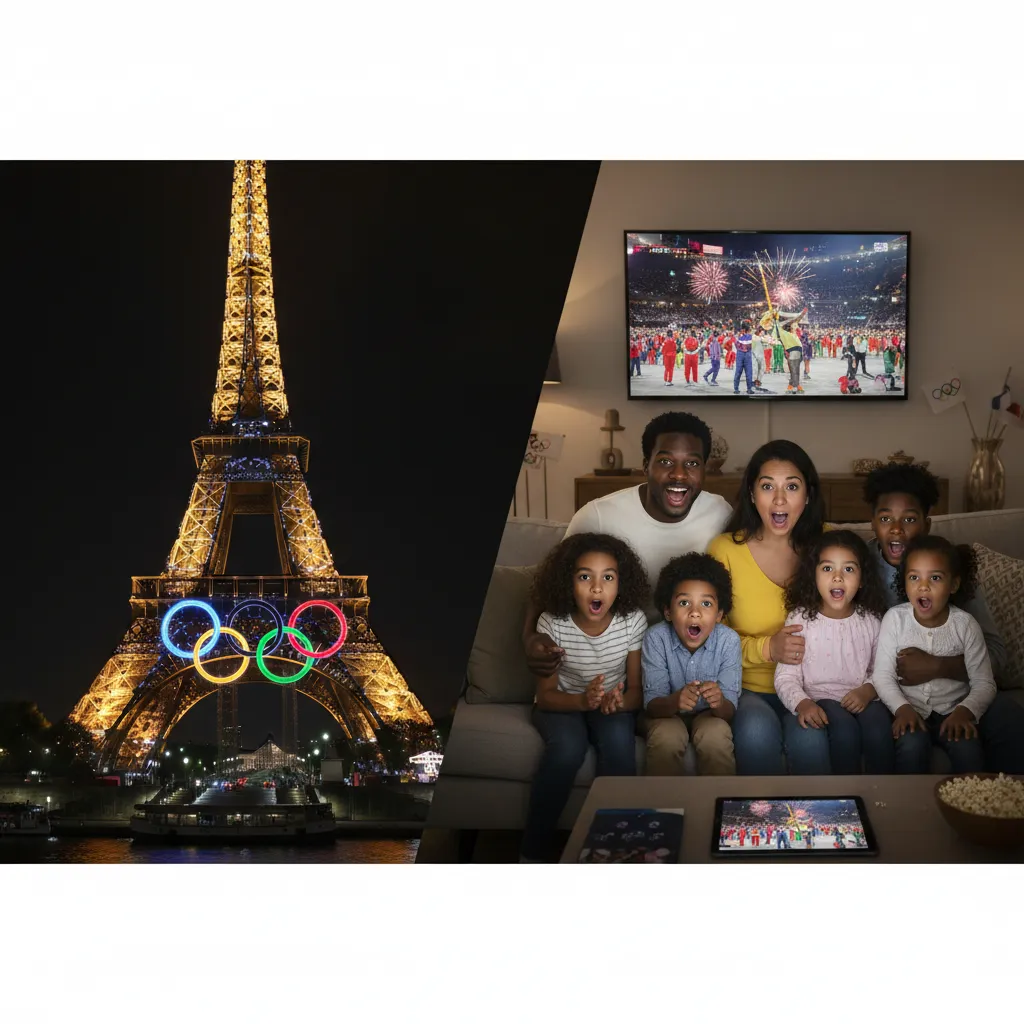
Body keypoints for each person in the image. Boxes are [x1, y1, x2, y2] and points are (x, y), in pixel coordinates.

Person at [524, 411, 732, 676]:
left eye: (692, 463)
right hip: (615, 663)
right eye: (666, 461)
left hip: (687, 660)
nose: (679, 475)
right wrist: (529, 636)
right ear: (646, 466)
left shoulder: (720, 512)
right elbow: (548, 581)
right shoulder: (598, 515)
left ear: (705, 468)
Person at [861, 464, 1022, 771]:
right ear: (873, 523)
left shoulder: (948, 567)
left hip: (959, 693)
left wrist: (938, 666)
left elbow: (997, 657)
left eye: (909, 519)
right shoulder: (856, 568)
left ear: (927, 523)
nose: (897, 529)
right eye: (885, 519)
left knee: (1011, 722)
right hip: (890, 694)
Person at [519, 532, 650, 861]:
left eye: (608, 577)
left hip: (612, 704)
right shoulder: (554, 623)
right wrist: (582, 701)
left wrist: (614, 702)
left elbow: (636, 692)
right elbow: (546, 697)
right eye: (584, 577)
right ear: (567, 582)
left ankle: (616, 847)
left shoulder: (632, 621)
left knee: (620, 746)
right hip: (563, 704)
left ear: (621, 585)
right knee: (566, 750)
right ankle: (532, 852)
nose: (597, 588)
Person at [707, 439, 828, 774]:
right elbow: (709, 638)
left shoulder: (830, 545)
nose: (779, 499)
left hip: (813, 687)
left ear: (808, 495)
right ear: (751, 494)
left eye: (791, 486)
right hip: (749, 688)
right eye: (767, 487)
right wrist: (767, 648)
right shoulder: (725, 550)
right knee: (756, 734)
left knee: (812, 742)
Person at [872, 536, 1006, 774]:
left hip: (954, 711)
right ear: (904, 582)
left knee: (968, 750)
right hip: (909, 710)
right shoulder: (895, 619)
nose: (923, 586)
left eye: (935, 578)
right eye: (914, 577)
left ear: (953, 585)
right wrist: (902, 709)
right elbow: (882, 676)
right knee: (911, 747)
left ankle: (969, 807)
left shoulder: (966, 625)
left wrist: (964, 712)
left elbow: (984, 683)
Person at [774, 531, 895, 773]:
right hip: (820, 699)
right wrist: (803, 703)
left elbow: (884, 669)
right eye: (827, 569)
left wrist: (868, 690)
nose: (838, 577)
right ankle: (846, 798)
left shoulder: (871, 621)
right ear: (813, 576)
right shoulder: (800, 620)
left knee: (880, 727)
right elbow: (786, 677)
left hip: (863, 698)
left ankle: (882, 794)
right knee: (844, 730)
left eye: (848, 569)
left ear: (862, 579)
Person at [641, 553, 741, 775]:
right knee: (666, 738)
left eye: (706, 604)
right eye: (684, 603)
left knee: (715, 737)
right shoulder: (655, 638)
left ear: (719, 614)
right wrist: (676, 701)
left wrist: (719, 702)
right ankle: (663, 807)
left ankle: (719, 804)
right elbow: (652, 705)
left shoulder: (729, 641)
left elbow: (728, 711)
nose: (695, 612)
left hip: (709, 716)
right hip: (667, 714)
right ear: (668, 611)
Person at [761, 308, 806, 394]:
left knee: (794, 369)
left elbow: (796, 319)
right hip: (791, 349)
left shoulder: (787, 327)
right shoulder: (778, 329)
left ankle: (795, 386)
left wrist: (802, 314)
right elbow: (773, 340)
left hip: (797, 348)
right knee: (793, 369)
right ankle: (794, 386)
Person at [733, 318, 755, 394]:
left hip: (741, 354)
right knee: (748, 372)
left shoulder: (738, 336)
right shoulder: (749, 336)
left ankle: (736, 389)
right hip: (745, 355)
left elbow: (736, 345)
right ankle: (748, 389)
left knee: (739, 372)